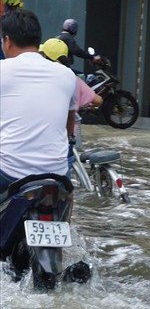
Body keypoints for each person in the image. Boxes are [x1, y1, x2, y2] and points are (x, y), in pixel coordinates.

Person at [0, 10, 78, 193]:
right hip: (57, 175)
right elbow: (69, 124)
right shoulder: (67, 75)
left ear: (7, 40)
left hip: (8, 174)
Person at [39, 38, 103, 177]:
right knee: (64, 177)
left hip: (41, 140)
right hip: (64, 138)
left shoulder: (37, 80)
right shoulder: (72, 78)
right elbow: (97, 100)